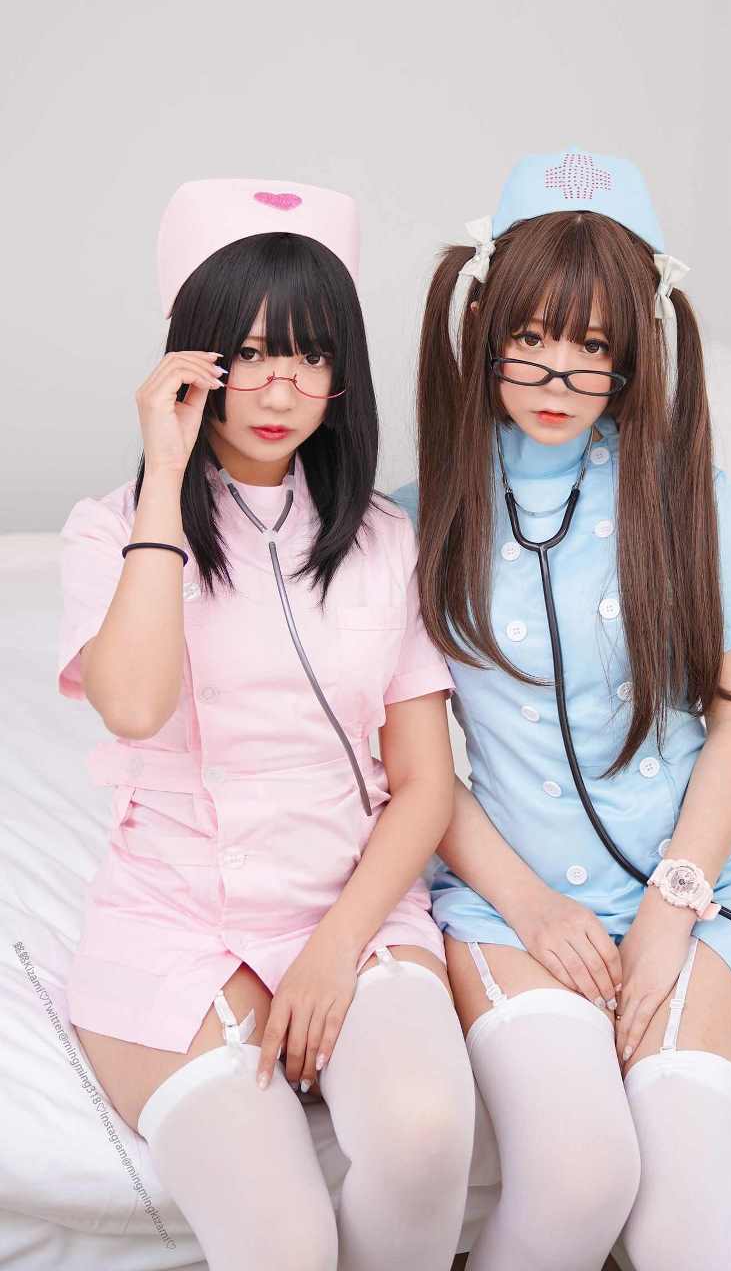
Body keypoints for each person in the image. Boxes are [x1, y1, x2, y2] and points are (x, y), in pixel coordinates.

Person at [393, 146, 731, 1270]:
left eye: (592, 346)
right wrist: (533, 910)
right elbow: (415, 768)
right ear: (485, 329)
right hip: (509, 900)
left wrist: (672, 908)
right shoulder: (415, 522)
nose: (556, 373)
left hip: (697, 889)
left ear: (631, 356)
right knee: (579, 1180)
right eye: (530, 336)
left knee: (689, 1225)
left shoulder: (685, 495)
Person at [57, 177, 475, 1271]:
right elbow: (133, 704)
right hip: (175, 919)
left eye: (310, 355)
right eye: (246, 353)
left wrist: (333, 952)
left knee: (426, 1134)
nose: (279, 387)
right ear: (192, 361)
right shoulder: (109, 530)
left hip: (353, 910)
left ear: (342, 376)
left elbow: (424, 784)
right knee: (284, 1239)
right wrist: (164, 472)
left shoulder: (383, 540)